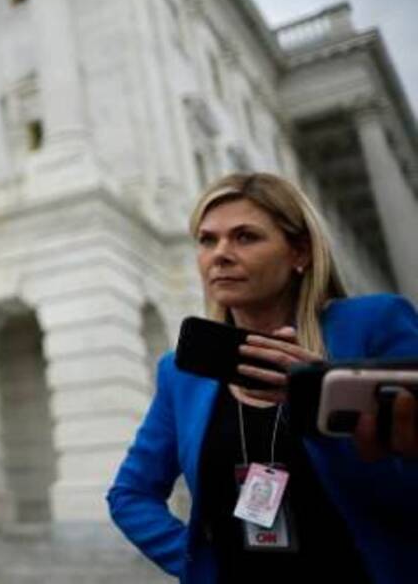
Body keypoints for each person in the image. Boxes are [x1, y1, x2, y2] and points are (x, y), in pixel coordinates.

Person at [108, 172, 418, 583]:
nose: (220, 254)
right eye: (207, 240)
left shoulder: (374, 325)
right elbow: (130, 494)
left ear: (299, 252)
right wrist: (201, 565)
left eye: (245, 237)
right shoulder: (181, 373)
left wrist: (321, 398)